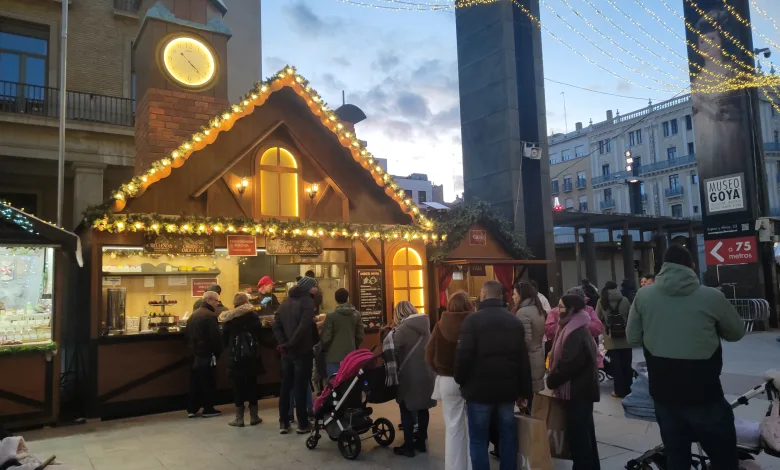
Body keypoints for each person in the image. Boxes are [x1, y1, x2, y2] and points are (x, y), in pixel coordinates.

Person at [627, 245, 745, 470]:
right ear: (692, 267)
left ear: (661, 268)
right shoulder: (712, 296)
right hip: (705, 393)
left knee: (676, 457)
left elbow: (632, 338)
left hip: (664, 393)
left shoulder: (643, 296)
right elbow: (736, 333)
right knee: (724, 457)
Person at [455, 280, 532, 470]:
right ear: (501, 296)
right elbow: (523, 360)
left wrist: (461, 380)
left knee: (478, 439)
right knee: (507, 437)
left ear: (482, 293)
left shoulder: (472, 321)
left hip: (478, 391)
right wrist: (524, 392)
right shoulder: (514, 321)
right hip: (507, 391)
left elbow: (463, 357)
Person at [547, 294, 601, 470]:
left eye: (561, 307)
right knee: (584, 433)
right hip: (580, 389)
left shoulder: (575, 330)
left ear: (571, 309)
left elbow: (570, 364)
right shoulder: (574, 326)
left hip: (578, 390)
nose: (558, 310)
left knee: (579, 435)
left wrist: (552, 380)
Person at [425, 291, 473, 470]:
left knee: (453, 427)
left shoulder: (440, 324)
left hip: (447, 380)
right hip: (469, 380)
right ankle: (470, 465)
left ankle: (453, 466)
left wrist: (438, 368)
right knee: (471, 427)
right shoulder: (473, 322)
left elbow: (429, 353)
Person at [383, 301, 435, 458]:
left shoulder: (403, 329)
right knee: (423, 408)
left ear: (399, 314)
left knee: (406, 408)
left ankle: (409, 446)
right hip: (426, 373)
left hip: (409, 375)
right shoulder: (424, 324)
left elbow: (393, 348)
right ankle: (420, 441)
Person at [273, 276, 318, 434]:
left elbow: (276, 324)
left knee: (286, 387)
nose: (316, 289)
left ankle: (284, 422)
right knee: (300, 386)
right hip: (301, 350)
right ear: (307, 288)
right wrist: (292, 343)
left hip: (287, 353)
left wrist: (283, 343)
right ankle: (303, 424)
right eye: (314, 286)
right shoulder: (307, 301)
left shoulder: (285, 301)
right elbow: (304, 325)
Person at [220, 293, 263, 427]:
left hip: (236, 357)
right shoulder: (253, 315)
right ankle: (254, 416)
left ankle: (239, 418)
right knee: (252, 385)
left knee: (237, 387)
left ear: (234, 304)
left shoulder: (229, 318)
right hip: (251, 356)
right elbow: (259, 333)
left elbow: (224, 339)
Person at [545, 286, 604, 369]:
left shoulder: (588, 310)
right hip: (563, 350)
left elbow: (598, 328)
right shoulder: (556, 311)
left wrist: (580, 323)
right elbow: (548, 330)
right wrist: (565, 325)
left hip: (584, 351)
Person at [186, 291, 223, 418]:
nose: (217, 304)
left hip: (194, 353)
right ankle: (208, 409)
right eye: (217, 301)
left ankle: (192, 409)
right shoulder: (210, 316)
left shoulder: (193, 315)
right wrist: (218, 352)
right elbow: (215, 338)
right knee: (208, 381)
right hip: (207, 352)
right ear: (210, 300)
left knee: (195, 382)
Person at [596, 281, 632, 398]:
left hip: (611, 338)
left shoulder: (602, 301)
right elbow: (630, 316)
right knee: (627, 365)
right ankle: (629, 389)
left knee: (616, 366)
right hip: (626, 337)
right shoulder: (625, 300)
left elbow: (597, 317)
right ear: (616, 288)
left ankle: (618, 391)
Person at [513, 282, 547, 405]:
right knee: (531, 399)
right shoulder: (537, 309)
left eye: (515, 294)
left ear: (521, 295)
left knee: (526, 401)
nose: (513, 297)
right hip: (537, 355)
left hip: (528, 361)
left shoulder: (523, 313)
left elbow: (524, 341)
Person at [320, 288, 364, 377]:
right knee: (349, 385)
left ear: (335, 299)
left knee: (333, 385)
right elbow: (360, 336)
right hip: (351, 356)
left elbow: (326, 338)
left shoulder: (331, 316)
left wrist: (327, 349)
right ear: (347, 298)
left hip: (333, 357)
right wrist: (354, 346)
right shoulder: (356, 315)